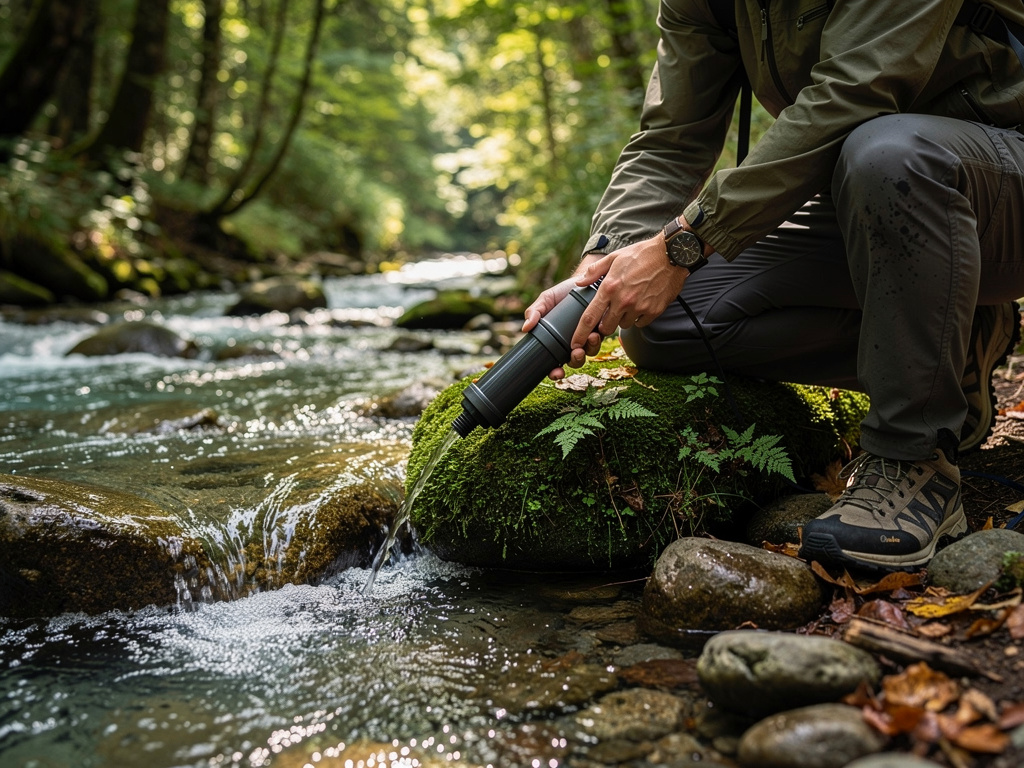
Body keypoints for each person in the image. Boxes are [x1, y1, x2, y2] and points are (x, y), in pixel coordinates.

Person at [522, 0, 1024, 573]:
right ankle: (956, 352)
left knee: (889, 152)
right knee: (663, 323)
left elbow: (856, 90)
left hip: (993, 177)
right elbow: (671, 139)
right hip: (879, 196)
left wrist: (683, 242)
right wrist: (603, 267)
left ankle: (913, 458)